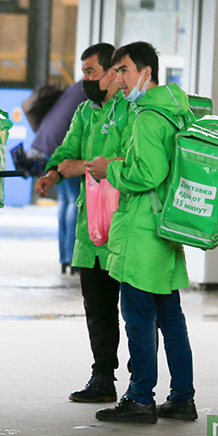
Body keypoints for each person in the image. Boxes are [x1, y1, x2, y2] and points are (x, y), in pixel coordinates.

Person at [87, 41, 197, 423]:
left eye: (124, 70)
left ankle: (139, 398)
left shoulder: (149, 118)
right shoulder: (176, 112)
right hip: (165, 228)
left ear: (146, 72)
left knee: (138, 317)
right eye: (116, 71)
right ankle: (182, 397)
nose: (118, 79)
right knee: (171, 318)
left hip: (142, 231)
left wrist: (111, 170)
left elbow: (148, 173)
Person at [35, 43, 128, 403]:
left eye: (91, 72)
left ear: (112, 73)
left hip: (125, 228)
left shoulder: (132, 112)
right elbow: (67, 150)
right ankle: (102, 376)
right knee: (97, 309)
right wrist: (54, 173)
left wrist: (84, 166)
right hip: (91, 231)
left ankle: (141, 385)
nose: (85, 79)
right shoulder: (85, 112)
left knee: (136, 312)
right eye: (83, 72)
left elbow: (133, 161)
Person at [28, 80, 87, 274]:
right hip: (61, 144)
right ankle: (72, 256)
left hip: (47, 140)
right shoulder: (91, 89)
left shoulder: (75, 88)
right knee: (74, 199)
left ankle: (65, 257)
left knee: (65, 199)